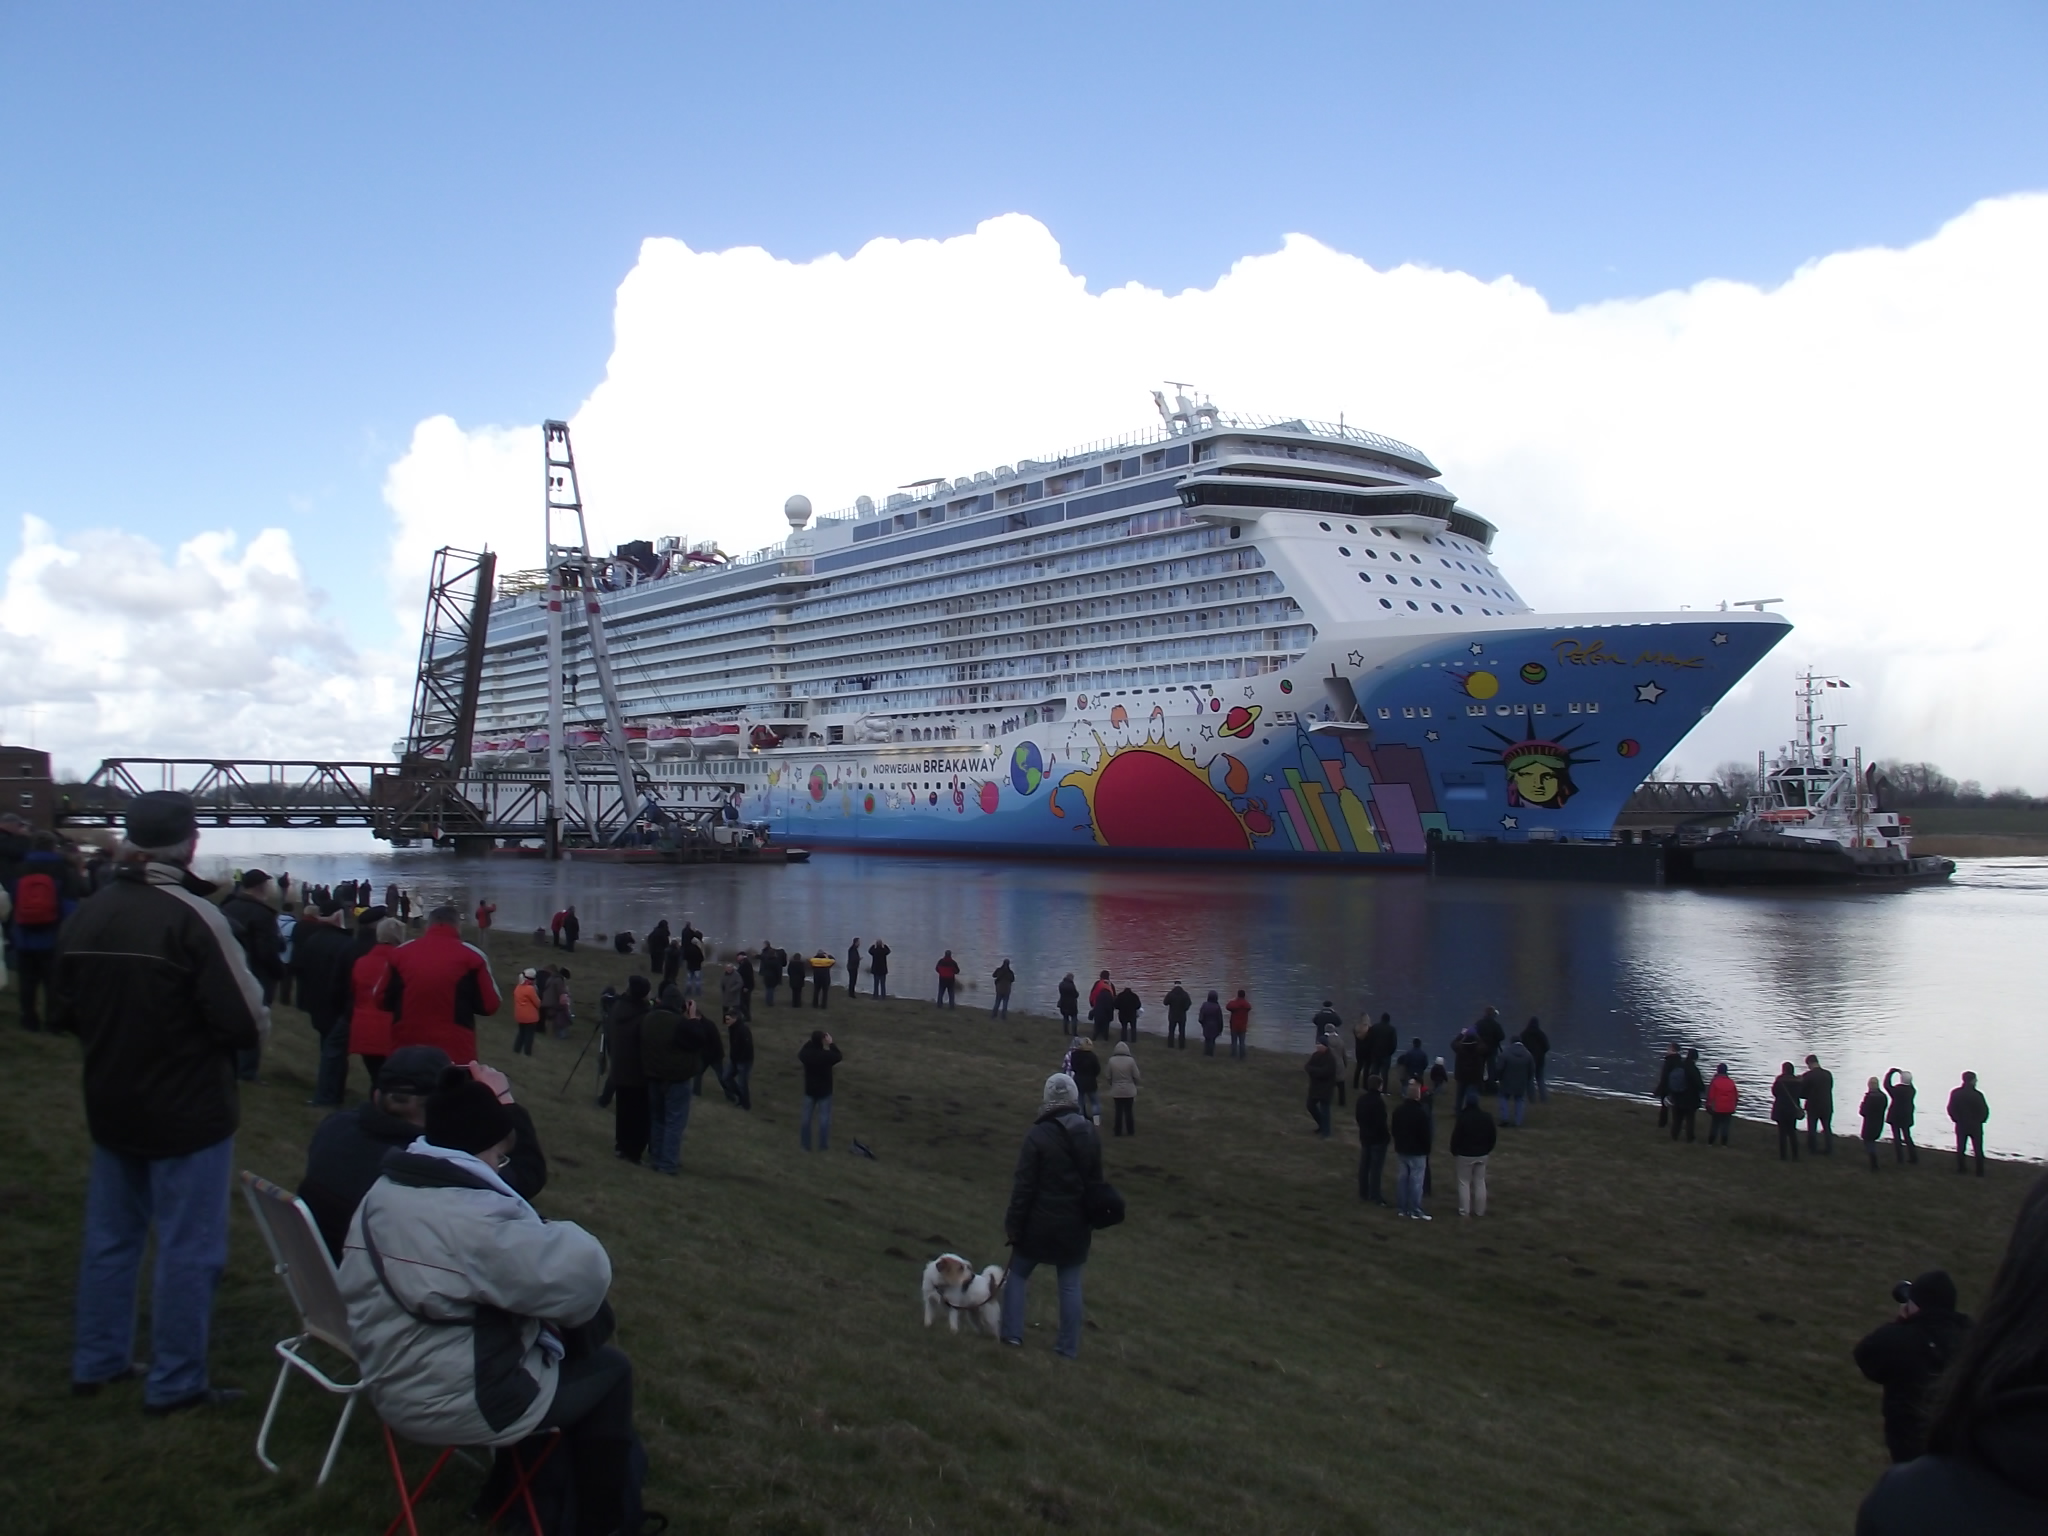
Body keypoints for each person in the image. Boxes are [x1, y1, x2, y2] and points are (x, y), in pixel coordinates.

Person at [336, 1072, 652, 1536]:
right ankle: (604, 1522)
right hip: (457, 1400)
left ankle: (523, 1498)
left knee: (549, 1348)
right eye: (501, 1159)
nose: (503, 1167)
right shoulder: (474, 1222)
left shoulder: (384, 1193)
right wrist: (547, 1227)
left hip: (389, 1378)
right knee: (609, 1371)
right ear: (482, 1149)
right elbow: (586, 1276)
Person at [52, 790, 268, 1413]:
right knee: (188, 1247)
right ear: (191, 843)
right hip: (189, 1109)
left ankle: (98, 1360)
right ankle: (175, 1382)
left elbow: (65, 1010)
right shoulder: (194, 918)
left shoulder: (89, 913)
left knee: (111, 1237)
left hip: (111, 1100)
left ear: (129, 839)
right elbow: (245, 1023)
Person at [1855, 1177, 2048, 1533]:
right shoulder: (1965, 1334)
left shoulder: (1909, 1506)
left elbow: (1867, 1355)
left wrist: (1902, 1326)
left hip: (1920, 1446)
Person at [298, 1046, 547, 1259]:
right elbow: (524, 1178)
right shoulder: (432, 1167)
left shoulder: (334, 1127)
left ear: (376, 1096)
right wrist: (504, 1101)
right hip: (396, 1285)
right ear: (443, 1107)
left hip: (336, 1268)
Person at [999, 1072, 1103, 1359]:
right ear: (1072, 1098)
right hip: (1075, 1226)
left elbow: (1024, 1186)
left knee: (1018, 1275)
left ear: (1047, 1098)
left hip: (1037, 1223)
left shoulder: (1037, 1134)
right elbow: (1096, 1184)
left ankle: (1012, 1336)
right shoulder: (1089, 1135)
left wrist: (1013, 1224)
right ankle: (1067, 1349)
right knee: (1069, 1285)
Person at [1855, 1270, 1973, 1464]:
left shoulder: (1902, 1339)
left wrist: (1901, 1324)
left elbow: (1866, 1355)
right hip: (1961, 1450)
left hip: (1910, 1448)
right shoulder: (1971, 1339)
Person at [378, 905, 502, 1065]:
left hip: (406, 1049)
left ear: (427, 926)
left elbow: (380, 998)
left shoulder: (400, 953)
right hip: (456, 1053)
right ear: (458, 927)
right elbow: (491, 1005)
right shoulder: (473, 956)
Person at [7, 830, 79, 1032]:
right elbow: (69, 904)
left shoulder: (20, 869)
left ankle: (28, 1019)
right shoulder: (62, 869)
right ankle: (54, 1022)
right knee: (53, 982)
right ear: (53, 847)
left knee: (27, 981)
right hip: (52, 934)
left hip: (24, 934)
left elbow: (13, 901)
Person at [292, 900, 360, 1106]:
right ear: (338, 917)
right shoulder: (345, 944)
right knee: (335, 1052)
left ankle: (330, 1091)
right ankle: (329, 1094)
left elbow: (300, 970)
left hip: (316, 1003)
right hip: (337, 1005)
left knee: (328, 1048)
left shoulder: (313, 940)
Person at [222, 868, 284, 1081]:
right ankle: (247, 1071)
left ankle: (232, 1065)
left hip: (229, 968)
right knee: (254, 1020)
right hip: (257, 972)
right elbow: (266, 950)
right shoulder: (262, 914)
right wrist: (279, 971)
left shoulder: (227, 906)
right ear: (259, 887)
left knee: (231, 1017)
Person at [348, 917, 405, 1094]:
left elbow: (354, 993)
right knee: (392, 1082)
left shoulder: (361, 963)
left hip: (364, 1028)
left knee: (376, 1077)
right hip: (390, 1030)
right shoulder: (401, 964)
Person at [606, 977, 652, 1164]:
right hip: (637, 1072)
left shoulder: (618, 1008)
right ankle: (633, 1152)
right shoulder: (642, 1015)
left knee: (623, 1110)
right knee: (639, 1114)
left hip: (619, 1067)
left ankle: (621, 1146)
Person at [1391, 1081, 1433, 1221]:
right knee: (1416, 1181)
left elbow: (1394, 1129)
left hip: (1402, 1149)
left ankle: (1402, 1208)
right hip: (1417, 1151)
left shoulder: (1398, 1111)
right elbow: (1425, 1135)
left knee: (1402, 1179)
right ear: (1418, 1096)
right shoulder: (1421, 1113)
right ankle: (1415, 1209)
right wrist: (1426, 1149)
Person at [1450, 1094, 1497, 1217]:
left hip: (1465, 1155)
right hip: (1482, 1154)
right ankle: (1480, 1211)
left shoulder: (1463, 1117)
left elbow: (1456, 1137)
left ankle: (1464, 1211)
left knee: (1464, 1182)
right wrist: (1487, 1149)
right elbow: (1492, 1136)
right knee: (1480, 1182)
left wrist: (1454, 1150)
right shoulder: (1487, 1117)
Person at [798, 1030, 842, 1151]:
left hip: (810, 1090)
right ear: (823, 1041)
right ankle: (823, 1146)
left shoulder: (806, 1055)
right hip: (824, 1091)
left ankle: (805, 1146)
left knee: (806, 1120)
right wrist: (831, 1043)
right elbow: (838, 1056)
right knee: (824, 1120)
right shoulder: (826, 1056)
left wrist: (810, 1042)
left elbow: (801, 1053)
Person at [1355, 1075, 1391, 1205]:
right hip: (1378, 1139)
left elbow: (1358, 1117)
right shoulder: (1379, 1102)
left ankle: (1363, 1192)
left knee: (1364, 1166)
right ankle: (1375, 1196)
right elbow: (1381, 1122)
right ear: (1379, 1086)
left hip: (1365, 1136)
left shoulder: (1361, 1099)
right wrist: (1386, 1137)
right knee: (1376, 1169)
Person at [1949, 1072, 1990, 1176]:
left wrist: (1956, 1119)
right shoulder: (1977, 1095)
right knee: (1978, 1149)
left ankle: (1961, 1168)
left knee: (1961, 1147)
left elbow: (1951, 1108)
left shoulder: (1956, 1093)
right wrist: (1981, 1120)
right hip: (1975, 1125)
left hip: (1961, 1124)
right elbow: (1984, 1110)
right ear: (1972, 1081)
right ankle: (1979, 1171)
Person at [1496, 1036, 1536, 1127]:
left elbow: (1499, 1068)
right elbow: (1532, 1070)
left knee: (1503, 1098)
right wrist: (1527, 1079)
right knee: (1519, 1100)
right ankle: (1518, 1121)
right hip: (1521, 1083)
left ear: (1511, 1042)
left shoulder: (1505, 1053)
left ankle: (1504, 1118)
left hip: (1506, 1081)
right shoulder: (1528, 1055)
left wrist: (1499, 1078)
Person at [1801, 1053, 1836, 1154]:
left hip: (1813, 1105)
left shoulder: (1808, 1076)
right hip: (1827, 1105)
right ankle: (1829, 1149)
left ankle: (1812, 1149)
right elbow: (1830, 1088)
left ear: (1810, 1063)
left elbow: (1803, 1092)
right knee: (1827, 1128)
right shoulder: (1828, 1074)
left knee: (1812, 1128)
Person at [1669, 1048, 1704, 1143]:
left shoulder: (1679, 1066)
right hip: (1690, 1099)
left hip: (1677, 1097)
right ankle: (1690, 1138)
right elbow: (1699, 1085)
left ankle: (1674, 1135)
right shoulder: (1693, 1069)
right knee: (1690, 1119)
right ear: (1696, 1058)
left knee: (1677, 1119)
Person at [1107, 1039, 1142, 1136]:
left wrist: (1112, 1084)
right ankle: (1130, 1131)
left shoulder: (1111, 1061)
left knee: (1118, 1111)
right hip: (1129, 1090)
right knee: (1129, 1111)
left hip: (1116, 1089)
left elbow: (1108, 1076)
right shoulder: (1131, 1061)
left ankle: (1117, 1131)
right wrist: (1134, 1083)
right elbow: (1136, 1075)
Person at [722, 1008, 754, 1111]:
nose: (726, 1021)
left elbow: (747, 1047)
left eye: (728, 1019)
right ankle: (740, 1097)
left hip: (743, 1061)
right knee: (726, 1078)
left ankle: (745, 1105)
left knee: (742, 1083)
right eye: (726, 1019)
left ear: (735, 1018)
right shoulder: (732, 1028)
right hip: (735, 1059)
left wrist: (739, 1060)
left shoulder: (743, 1030)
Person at [1771, 1062, 1804, 1161]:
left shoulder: (1780, 1080)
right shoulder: (1797, 1082)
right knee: (1792, 1132)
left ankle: (1783, 1156)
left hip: (1781, 1109)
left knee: (1782, 1133)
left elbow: (1774, 1092)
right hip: (1792, 1110)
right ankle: (1795, 1155)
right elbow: (1801, 1093)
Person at [1886, 1068, 1919, 1164]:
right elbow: (1910, 1084)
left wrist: (1891, 1073)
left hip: (1895, 1116)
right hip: (1907, 1116)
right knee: (1907, 1137)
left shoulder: (1896, 1090)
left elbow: (1887, 1085)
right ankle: (1913, 1157)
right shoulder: (1912, 1091)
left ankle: (1900, 1158)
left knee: (1897, 1138)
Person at [1305, 1042, 1337, 1138]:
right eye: (1317, 1045)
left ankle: (1326, 1132)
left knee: (1325, 1110)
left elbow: (1325, 1072)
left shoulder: (1331, 1059)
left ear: (1325, 1047)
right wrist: (1314, 1071)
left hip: (1326, 1088)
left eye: (1320, 1045)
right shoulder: (1315, 1055)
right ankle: (1321, 1125)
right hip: (1315, 1087)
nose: (1318, 1047)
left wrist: (1313, 1071)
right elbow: (1307, 1066)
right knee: (1310, 1105)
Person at [1068, 1037, 1102, 1124]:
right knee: (1095, 1102)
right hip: (1091, 1081)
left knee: (1080, 1102)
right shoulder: (1093, 1056)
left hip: (1078, 1080)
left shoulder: (1074, 1055)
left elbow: (1073, 1067)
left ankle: (1080, 1121)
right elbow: (1097, 1069)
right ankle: (1096, 1122)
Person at [1861, 1077, 1891, 1172]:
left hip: (1869, 1122)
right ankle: (1873, 1160)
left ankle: (1873, 1163)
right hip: (1879, 1122)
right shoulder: (1883, 1096)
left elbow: (1863, 1112)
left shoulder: (1869, 1097)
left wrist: (1862, 1105)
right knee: (1872, 1140)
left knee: (1868, 1141)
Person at [1452, 1029, 1487, 1110]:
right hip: (1474, 1076)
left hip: (1461, 1075)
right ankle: (1472, 1110)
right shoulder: (1478, 1049)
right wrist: (1478, 1037)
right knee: (1472, 1094)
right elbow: (1484, 1047)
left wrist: (1461, 1034)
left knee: (1460, 1095)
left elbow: (1453, 1043)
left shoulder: (1460, 1048)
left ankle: (1458, 1111)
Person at [1518, 1015, 1551, 1101]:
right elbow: (1547, 1047)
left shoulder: (1524, 1034)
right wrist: (1541, 1053)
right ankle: (1544, 1098)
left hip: (1528, 1060)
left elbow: (1521, 1047)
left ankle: (1532, 1098)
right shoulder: (1541, 1034)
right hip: (1540, 1060)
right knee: (1540, 1079)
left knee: (1529, 1079)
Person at [1705, 1063, 1739, 1145]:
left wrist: (1708, 1105)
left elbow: (1711, 1095)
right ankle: (1724, 1143)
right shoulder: (1731, 1082)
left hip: (1717, 1107)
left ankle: (1711, 1142)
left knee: (1715, 1124)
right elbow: (1736, 1096)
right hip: (1729, 1107)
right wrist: (1734, 1106)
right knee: (1725, 1126)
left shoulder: (1715, 1082)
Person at [511, 969, 543, 1056]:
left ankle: (516, 1050)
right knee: (529, 1035)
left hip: (520, 1015)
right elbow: (538, 1003)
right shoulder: (530, 989)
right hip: (530, 1017)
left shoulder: (518, 988)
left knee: (521, 1033)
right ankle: (527, 1052)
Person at [1652, 1043, 1681, 1129]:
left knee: (1664, 1106)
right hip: (1676, 1088)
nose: (1667, 1050)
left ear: (1672, 1049)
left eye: (1668, 1049)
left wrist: (1658, 1089)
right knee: (1675, 1107)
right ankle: (1676, 1124)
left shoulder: (1668, 1061)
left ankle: (1662, 1124)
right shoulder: (1680, 1061)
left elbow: (1664, 1076)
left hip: (1667, 1087)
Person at [1163, 982, 1192, 1049]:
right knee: (1182, 1031)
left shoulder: (1171, 994)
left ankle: (1170, 1045)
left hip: (1172, 1015)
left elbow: (1165, 1003)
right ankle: (1181, 1046)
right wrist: (1185, 1009)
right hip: (1182, 1015)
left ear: (1174, 985)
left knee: (1171, 1031)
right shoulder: (1185, 994)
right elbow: (1189, 1003)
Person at [1225, 989, 1251, 1059]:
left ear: (1238, 995)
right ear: (1244, 996)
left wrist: (1234, 1000)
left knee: (1234, 1042)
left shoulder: (1234, 1003)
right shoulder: (1246, 1004)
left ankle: (1233, 1055)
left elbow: (1228, 1006)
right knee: (1242, 1043)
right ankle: (1242, 1056)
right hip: (1243, 1026)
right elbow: (1249, 1007)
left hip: (1234, 1025)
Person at [1197, 990, 1224, 1056]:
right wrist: (1220, 1029)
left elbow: (1201, 1017)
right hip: (1214, 1026)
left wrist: (1203, 1023)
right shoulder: (1217, 1007)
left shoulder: (1204, 1005)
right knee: (1212, 1040)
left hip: (1206, 1025)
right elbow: (1220, 1019)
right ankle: (1210, 1054)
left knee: (1207, 1039)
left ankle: (1206, 1053)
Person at [758, 940, 782, 1005]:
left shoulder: (766, 960)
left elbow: (763, 966)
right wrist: (779, 979)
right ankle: (770, 1002)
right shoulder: (776, 961)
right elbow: (778, 970)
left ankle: (767, 1001)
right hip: (773, 977)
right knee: (771, 989)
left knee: (768, 989)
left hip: (766, 976)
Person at [681, 931, 704, 998]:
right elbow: (701, 958)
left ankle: (688, 991)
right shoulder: (698, 950)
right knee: (698, 981)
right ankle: (698, 992)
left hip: (689, 966)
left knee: (689, 980)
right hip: (697, 967)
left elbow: (685, 957)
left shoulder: (688, 949)